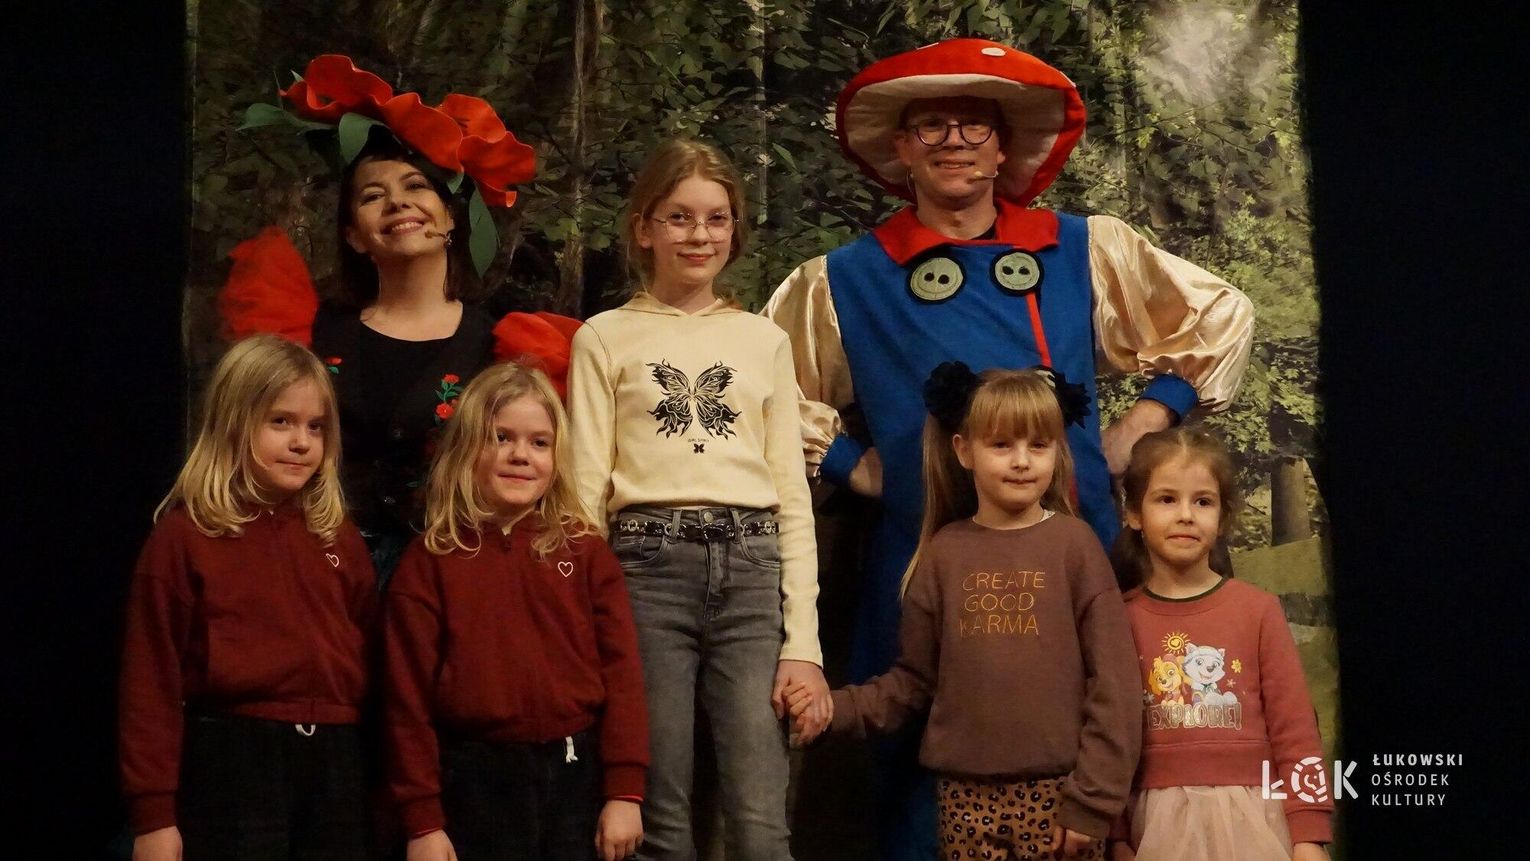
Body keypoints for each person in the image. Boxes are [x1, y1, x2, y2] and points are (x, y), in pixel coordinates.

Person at [763, 37, 1255, 858]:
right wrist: (852, 464)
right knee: (918, 788)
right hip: (921, 570)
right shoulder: (842, 279)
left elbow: (1220, 315)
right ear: (901, 149)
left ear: (1003, 149)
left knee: (1102, 764)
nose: (953, 141)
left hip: (1075, 558)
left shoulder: (1082, 248)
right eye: (932, 126)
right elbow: (759, 385)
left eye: (973, 125)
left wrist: (1146, 419)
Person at [566, 138, 827, 859]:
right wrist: (584, 618)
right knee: (659, 811)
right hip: (645, 567)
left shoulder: (762, 340)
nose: (699, 235)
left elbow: (791, 498)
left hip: (752, 566)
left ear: (735, 229)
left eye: (716, 218)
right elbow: (584, 491)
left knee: (759, 816)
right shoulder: (603, 338)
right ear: (644, 227)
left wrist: (803, 646)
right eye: (679, 217)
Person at [224, 54, 579, 582]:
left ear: (450, 218)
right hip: (317, 570)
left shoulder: (498, 345)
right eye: (373, 196)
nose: (396, 203)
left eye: (415, 186)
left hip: (447, 575)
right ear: (353, 235)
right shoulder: (312, 332)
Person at [789, 363, 1140, 860]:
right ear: (964, 450)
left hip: (1061, 797)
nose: (1022, 461)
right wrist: (832, 710)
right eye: (1002, 445)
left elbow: (1115, 684)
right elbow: (913, 683)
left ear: (1058, 451)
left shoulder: (1075, 546)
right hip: (963, 800)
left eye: (1038, 445)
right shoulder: (944, 553)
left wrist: (1093, 801)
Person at [118, 334, 378, 860]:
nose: (301, 442)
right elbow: (150, 682)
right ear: (233, 423)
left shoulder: (338, 537)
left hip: (336, 759)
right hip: (232, 756)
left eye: (316, 427)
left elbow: (372, 659)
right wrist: (154, 817)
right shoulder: (186, 537)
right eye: (280, 421)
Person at [382, 363, 648, 861]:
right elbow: (405, 700)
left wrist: (624, 792)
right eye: (500, 437)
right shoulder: (430, 561)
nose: (520, 455)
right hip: (473, 779)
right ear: (466, 447)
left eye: (539, 442)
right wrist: (423, 821)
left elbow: (624, 677)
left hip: (575, 775)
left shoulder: (585, 552)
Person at [1106, 428, 1332, 861]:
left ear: (1223, 517)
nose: (1186, 515)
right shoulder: (1118, 619)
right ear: (1134, 512)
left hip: (1253, 818)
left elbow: (1297, 732)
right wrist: (1114, 835)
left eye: (1203, 502)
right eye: (1166, 499)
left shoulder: (1258, 610)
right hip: (1155, 827)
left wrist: (1309, 833)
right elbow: (1108, 739)